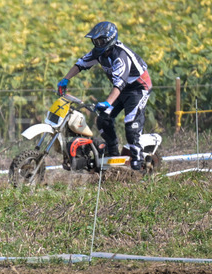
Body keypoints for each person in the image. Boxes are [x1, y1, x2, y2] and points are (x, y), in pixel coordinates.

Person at [57, 21, 152, 170]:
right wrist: (65, 79)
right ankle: (113, 152)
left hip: (138, 89)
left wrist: (107, 102)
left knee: (131, 126)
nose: (96, 43)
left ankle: (138, 165)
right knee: (103, 120)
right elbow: (81, 64)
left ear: (109, 40)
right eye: (94, 41)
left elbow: (119, 84)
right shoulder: (98, 53)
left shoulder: (120, 56)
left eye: (99, 40)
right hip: (121, 90)